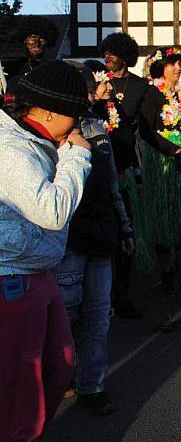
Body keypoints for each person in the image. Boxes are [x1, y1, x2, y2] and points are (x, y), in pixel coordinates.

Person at [0, 61, 92, 441]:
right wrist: (77, 157)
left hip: (37, 269)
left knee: (60, 362)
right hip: (12, 276)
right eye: (75, 115)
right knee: (22, 384)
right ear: (49, 111)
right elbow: (51, 211)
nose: (78, 126)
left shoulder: (36, 141)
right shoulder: (10, 148)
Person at [53, 62, 134, 416]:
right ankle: (62, 377)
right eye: (89, 88)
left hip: (102, 239)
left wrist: (125, 227)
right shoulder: (51, 136)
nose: (94, 94)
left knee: (99, 318)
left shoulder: (99, 131)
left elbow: (112, 187)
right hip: (68, 242)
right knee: (67, 318)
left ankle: (92, 387)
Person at [97, 32, 150, 318]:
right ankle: (100, 296)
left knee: (125, 231)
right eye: (106, 52)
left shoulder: (140, 86)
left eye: (113, 53)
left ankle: (123, 293)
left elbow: (152, 123)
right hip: (98, 165)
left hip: (125, 165)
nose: (108, 57)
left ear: (125, 57)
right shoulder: (96, 83)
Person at [136, 47, 181, 290]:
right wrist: (172, 150)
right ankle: (167, 269)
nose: (178, 68)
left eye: (179, 64)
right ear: (160, 68)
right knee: (165, 215)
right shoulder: (152, 94)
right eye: (172, 64)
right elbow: (146, 130)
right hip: (164, 162)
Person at [4, 16, 60, 85]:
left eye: (42, 38)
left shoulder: (54, 70)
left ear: (48, 41)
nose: (37, 43)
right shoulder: (13, 68)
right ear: (25, 40)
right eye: (33, 37)